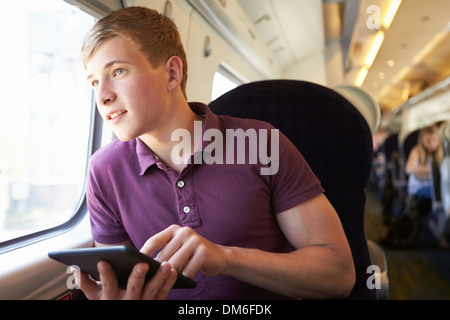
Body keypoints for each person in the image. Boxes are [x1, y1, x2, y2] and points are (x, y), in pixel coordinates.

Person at [73, 6, 355, 300]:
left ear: (172, 73)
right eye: (94, 82)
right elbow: (123, 285)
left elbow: (339, 274)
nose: (102, 96)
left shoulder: (260, 143)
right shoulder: (103, 171)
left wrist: (225, 258)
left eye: (117, 71)